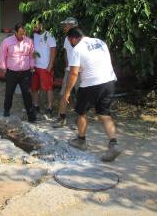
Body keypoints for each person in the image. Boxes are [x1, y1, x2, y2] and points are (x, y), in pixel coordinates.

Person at [62, 27, 121, 162]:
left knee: (81, 112)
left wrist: (67, 92)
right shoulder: (100, 42)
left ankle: (81, 141)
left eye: (70, 40)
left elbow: (74, 73)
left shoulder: (76, 49)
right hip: (109, 81)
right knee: (104, 114)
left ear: (72, 38)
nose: (70, 43)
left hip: (91, 84)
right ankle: (113, 144)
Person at [0, 22, 36, 122]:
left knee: (27, 94)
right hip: (11, 72)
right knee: (9, 92)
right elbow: (2, 55)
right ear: (15, 32)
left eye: (24, 33)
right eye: (20, 33)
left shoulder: (29, 41)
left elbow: (32, 55)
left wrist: (32, 66)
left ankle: (31, 116)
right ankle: (6, 110)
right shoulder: (7, 41)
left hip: (26, 72)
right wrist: (3, 68)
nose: (22, 35)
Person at [52, 16, 79, 128]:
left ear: (73, 26)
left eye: (66, 25)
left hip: (80, 71)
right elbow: (66, 52)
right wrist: (67, 65)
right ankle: (61, 118)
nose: (64, 27)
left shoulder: (80, 38)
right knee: (63, 94)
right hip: (69, 71)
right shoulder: (66, 38)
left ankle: (79, 120)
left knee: (80, 95)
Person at [31, 20, 57, 117]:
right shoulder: (34, 35)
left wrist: (50, 64)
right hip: (34, 66)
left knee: (48, 87)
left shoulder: (49, 35)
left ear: (41, 25)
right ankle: (36, 105)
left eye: (36, 25)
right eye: (33, 26)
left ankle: (50, 107)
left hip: (45, 66)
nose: (34, 27)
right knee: (34, 87)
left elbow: (53, 50)